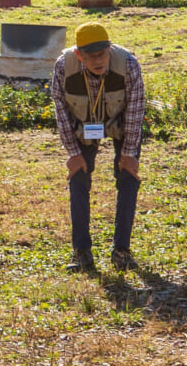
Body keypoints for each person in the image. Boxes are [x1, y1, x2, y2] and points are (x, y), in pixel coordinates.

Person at [49, 21, 146, 273]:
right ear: (79, 54)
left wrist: (129, 153)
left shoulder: (129, 64)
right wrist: (72, 153)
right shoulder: (63, 67)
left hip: (122, 124)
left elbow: (136, 110)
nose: (98, 61)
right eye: (90, 56)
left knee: (129, 177)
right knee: (77, 177)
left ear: (110, 49)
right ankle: (82, 253)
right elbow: (60, 109)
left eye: (102, 54)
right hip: (82, 127)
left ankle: (121, 250)